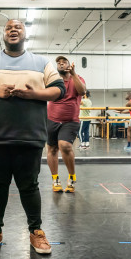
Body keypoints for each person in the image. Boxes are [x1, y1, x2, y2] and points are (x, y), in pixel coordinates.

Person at [0, 19, 65, 255]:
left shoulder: (41, 63)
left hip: (29, 137)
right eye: (9, 27)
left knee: (29, 186)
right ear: (4, 34)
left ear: (25, 33)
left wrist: (34, 95)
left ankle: (36, 232)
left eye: (18, 27)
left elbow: (59, 89)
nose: (13, 30)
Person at [47, 56, 86, 193]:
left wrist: (74, 74)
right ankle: (55, 179)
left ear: (70, 65)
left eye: (64, 62)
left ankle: (71, 177)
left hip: (70, 121)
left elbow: (82, 91)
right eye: (58, 63)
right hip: (51, 119)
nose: (61, 64)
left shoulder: (78, 78)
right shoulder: (54, 80)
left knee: (65, 145)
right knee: (52, 149)